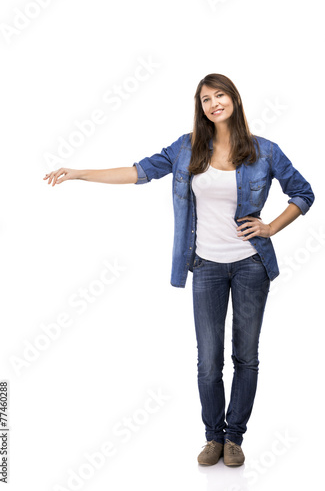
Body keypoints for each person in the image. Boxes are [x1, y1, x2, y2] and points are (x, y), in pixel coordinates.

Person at [44, 73, 315, 467]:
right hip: (205, 265)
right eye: (206, 99)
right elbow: (138, 171)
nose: (213, 104)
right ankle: (213, 437)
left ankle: (234, 438)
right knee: (208, 360)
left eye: (220, 95)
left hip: (250, 266)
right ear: (200, 107)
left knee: (246, 356)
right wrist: (79, 173)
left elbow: (303, 193)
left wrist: (271, 226)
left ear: (234, 100)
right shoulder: (186, 149)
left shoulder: (265, 151)